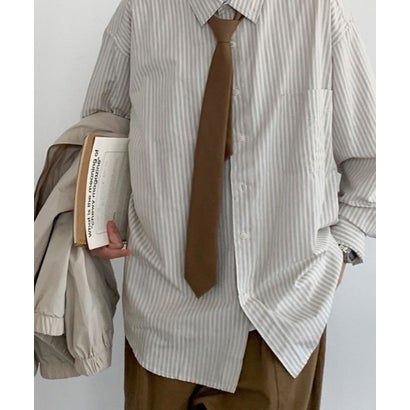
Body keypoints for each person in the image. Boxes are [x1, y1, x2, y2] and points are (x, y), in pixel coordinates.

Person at [47, 0, 376, 408]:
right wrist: (97, 219)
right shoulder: (141, 12)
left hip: (280, 318)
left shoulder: (320, 14)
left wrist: (341, 248)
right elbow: (104, 126)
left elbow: (370, 156)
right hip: (164, 312)